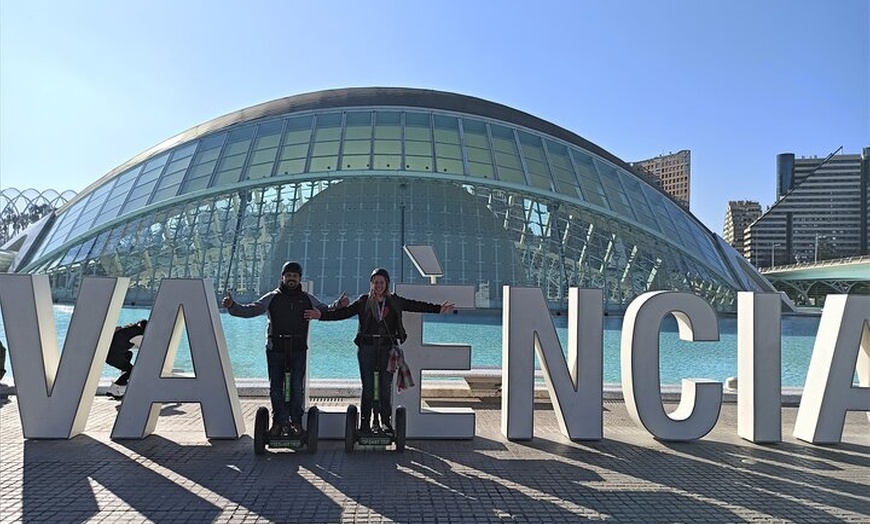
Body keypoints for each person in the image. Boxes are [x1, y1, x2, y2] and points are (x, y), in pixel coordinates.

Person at [306, 267, 454, 435]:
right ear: (371, 284)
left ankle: (385, 422)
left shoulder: (394, 301)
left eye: (381, 282)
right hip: (366, 348)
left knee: (385, 387)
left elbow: (416, 305)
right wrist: (322, 316)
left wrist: (438, 309)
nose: (378, 285)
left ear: (387, 284)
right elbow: (344, 314)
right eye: (375, 282)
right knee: (368, 387)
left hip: (387, 349)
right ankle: (364, 423)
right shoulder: (363, 301)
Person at [223, 261, 348, 438]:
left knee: (297, 387)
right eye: (288, 275)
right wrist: (232, 306)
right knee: (276, 388)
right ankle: (278, 422)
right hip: (276, 349)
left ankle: (296, 422)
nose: (291, 279)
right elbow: (251, 310)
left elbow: (325, 309)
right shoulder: (272, 297)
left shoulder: (307, 298)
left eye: (295, 276)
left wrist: (339, 305)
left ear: (299, 279)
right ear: (282, 277)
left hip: (298, 349)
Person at [105, 319, 148, 399]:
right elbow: (145, 349)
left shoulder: (129, 329)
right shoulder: (138, 335)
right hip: (113, 357)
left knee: (129, 354)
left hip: (109, 354)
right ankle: (113, 389)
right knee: (132, 370)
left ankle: (124, 375)